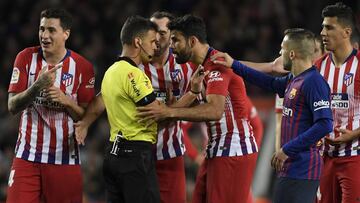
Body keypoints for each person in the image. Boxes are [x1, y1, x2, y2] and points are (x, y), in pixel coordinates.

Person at [137, 14, 258, 203]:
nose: (171, 45)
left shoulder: (216, 66)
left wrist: (169, 111)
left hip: (232, 151)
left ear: (192, 41)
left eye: (175, 40)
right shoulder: (202, 68)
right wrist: (189, 96)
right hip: (215, 150)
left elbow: (214, 111)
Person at [212, 28, 333, 203]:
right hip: (289, 167)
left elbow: (324, 124)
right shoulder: (294, 79)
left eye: (282, 48)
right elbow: (268, 82)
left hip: (303, 170)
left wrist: (286, 150)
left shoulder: (314, 82)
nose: (279, 52)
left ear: (291, 54)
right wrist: (234, 65)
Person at [6, 8, 95, 203]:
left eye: (51, 30)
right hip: (27, 157)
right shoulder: (25, 58)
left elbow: (86, 118)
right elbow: (12, 106)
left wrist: (65, 100)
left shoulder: (83, 67)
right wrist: (37, 86)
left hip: (64, 159)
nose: (44, 35)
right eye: (42, 29)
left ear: (66, 34)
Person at [74, 15, 161, 203]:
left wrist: (85, 123)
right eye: (153, 41)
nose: (156, 46)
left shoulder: (111, 71)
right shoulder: (134, 75)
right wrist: (192, 95)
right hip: (135, 155)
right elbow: (158, 113)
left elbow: (99, 104)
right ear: (138, 41)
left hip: (113, 155)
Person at [138, 11, 198, 203]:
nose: (156, 38)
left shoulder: (187, 66)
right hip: (138, 155)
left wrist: (174, 109)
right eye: (152, 32)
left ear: (172, 37)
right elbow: (143, 119)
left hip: (170, 155)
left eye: (162, 33)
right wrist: (177, 108)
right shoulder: (134, 66)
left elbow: (198, 105)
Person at [314, 3, 360, 203]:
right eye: (323, 27)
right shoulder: (318, 67)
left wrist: (355, 134)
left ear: (346, 32)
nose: (323, 32)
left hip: (355, 156)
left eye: (329, 27)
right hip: (324, 159)